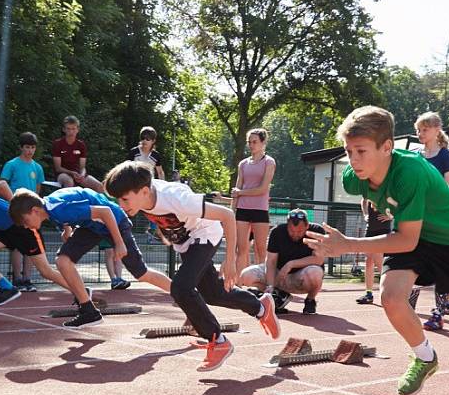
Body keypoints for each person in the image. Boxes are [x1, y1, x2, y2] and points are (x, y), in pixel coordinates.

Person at [305, 106, 449, 395]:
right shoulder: (352, 177)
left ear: (387, 147)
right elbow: (404, 231)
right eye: (349, 151)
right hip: (414, 234)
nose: (354, 160)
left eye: (361, 151)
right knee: (390, 297)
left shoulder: (409, 172)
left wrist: (348, 244)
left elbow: (406, 240)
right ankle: (424, 357)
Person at [104, 161, 281, 372]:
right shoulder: (141, 197)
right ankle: (261, 307)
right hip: (187, 243)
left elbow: (228, 216)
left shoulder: (177, 198)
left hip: (205, 235)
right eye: (118, 200)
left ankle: (218, 341)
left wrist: (230, 260)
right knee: (213, 293)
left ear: (143, 191)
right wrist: (166, 235)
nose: (122, 205)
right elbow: (161, 217)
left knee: (180, 287)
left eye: (124, 200)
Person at [8, 186, 173, 328]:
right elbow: (73, 209)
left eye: (24, 221)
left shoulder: (58, 209)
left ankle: (179, 292)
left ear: (34, 211)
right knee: (63, 260)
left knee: (141, 273)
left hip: (114, 222)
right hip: (92, 226)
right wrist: (67, 230)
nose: (25, 226)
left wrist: (119, 242)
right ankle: (89, 311)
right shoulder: (50, 208)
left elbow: (105, 212)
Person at [413, 112, 449, 327]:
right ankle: (409, 305)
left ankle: (439, 312)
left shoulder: (446, 156)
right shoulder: (415, 155)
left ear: (436, 130)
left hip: (439, 219)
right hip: (417, 218)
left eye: (425, 129)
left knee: (439, 265)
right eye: (418, 130)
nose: (420, 133)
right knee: (412, 261)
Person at [239, 209, 325, 314]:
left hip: (301, 277)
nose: (295, 234)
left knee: (315, 273)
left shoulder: (317, 232)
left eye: (299, 231)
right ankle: (279, 295)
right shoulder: (277, 232)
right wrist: (270, 286)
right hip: (278, 275)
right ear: (287, 225)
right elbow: (270, 261)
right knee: (246, 275)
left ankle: (310, 300)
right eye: (292, 231)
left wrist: (290, 264)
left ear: (307, 226)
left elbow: (319, 259)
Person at [0, 132, 46, 292]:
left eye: (33, 147)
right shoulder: (11, 164)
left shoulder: (37, 167)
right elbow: (2, 183)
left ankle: (27, 278)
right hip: (17, 211)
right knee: (17, 246)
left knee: (31, 245)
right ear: (21, 147)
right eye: (27, 147)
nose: (30, 150)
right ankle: (17, 278)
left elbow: (38, 189)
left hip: (32, 213)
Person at [232, 128, 276, 281]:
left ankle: (260, 282)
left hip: (260, 209)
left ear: (263, 143)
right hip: (242, 210)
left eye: (255, 142)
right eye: (249, 142)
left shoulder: (269, 162)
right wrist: (232, 210)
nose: (251, 145)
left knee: (260, 250)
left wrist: (241, 193)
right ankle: (238, 284)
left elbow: (263, 189)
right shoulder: (243, 164)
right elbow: (236, 189)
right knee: (241, 249)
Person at [51, 115, 103, 192]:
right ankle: (69, 204)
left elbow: (82, 167)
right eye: (68, 129)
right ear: (64, 129)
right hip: (63, 174)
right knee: (69, 182)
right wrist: (72, 173)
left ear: (77, 130)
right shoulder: (57, 144)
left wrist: (82, 175)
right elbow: (58, 168)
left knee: (99, 186)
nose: (71, 132)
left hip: (78, 175)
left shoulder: (81, 145)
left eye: (73, 129)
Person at [355, 199, 391, 305]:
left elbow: (401, 203)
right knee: (369, 261)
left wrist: (392, 216)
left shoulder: (390, 188)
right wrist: (366, 214)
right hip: (370, 228)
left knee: (379, 261)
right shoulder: (369, 186)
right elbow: (363, 200)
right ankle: (369, 294)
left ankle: (390, 292)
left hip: (383, 228)